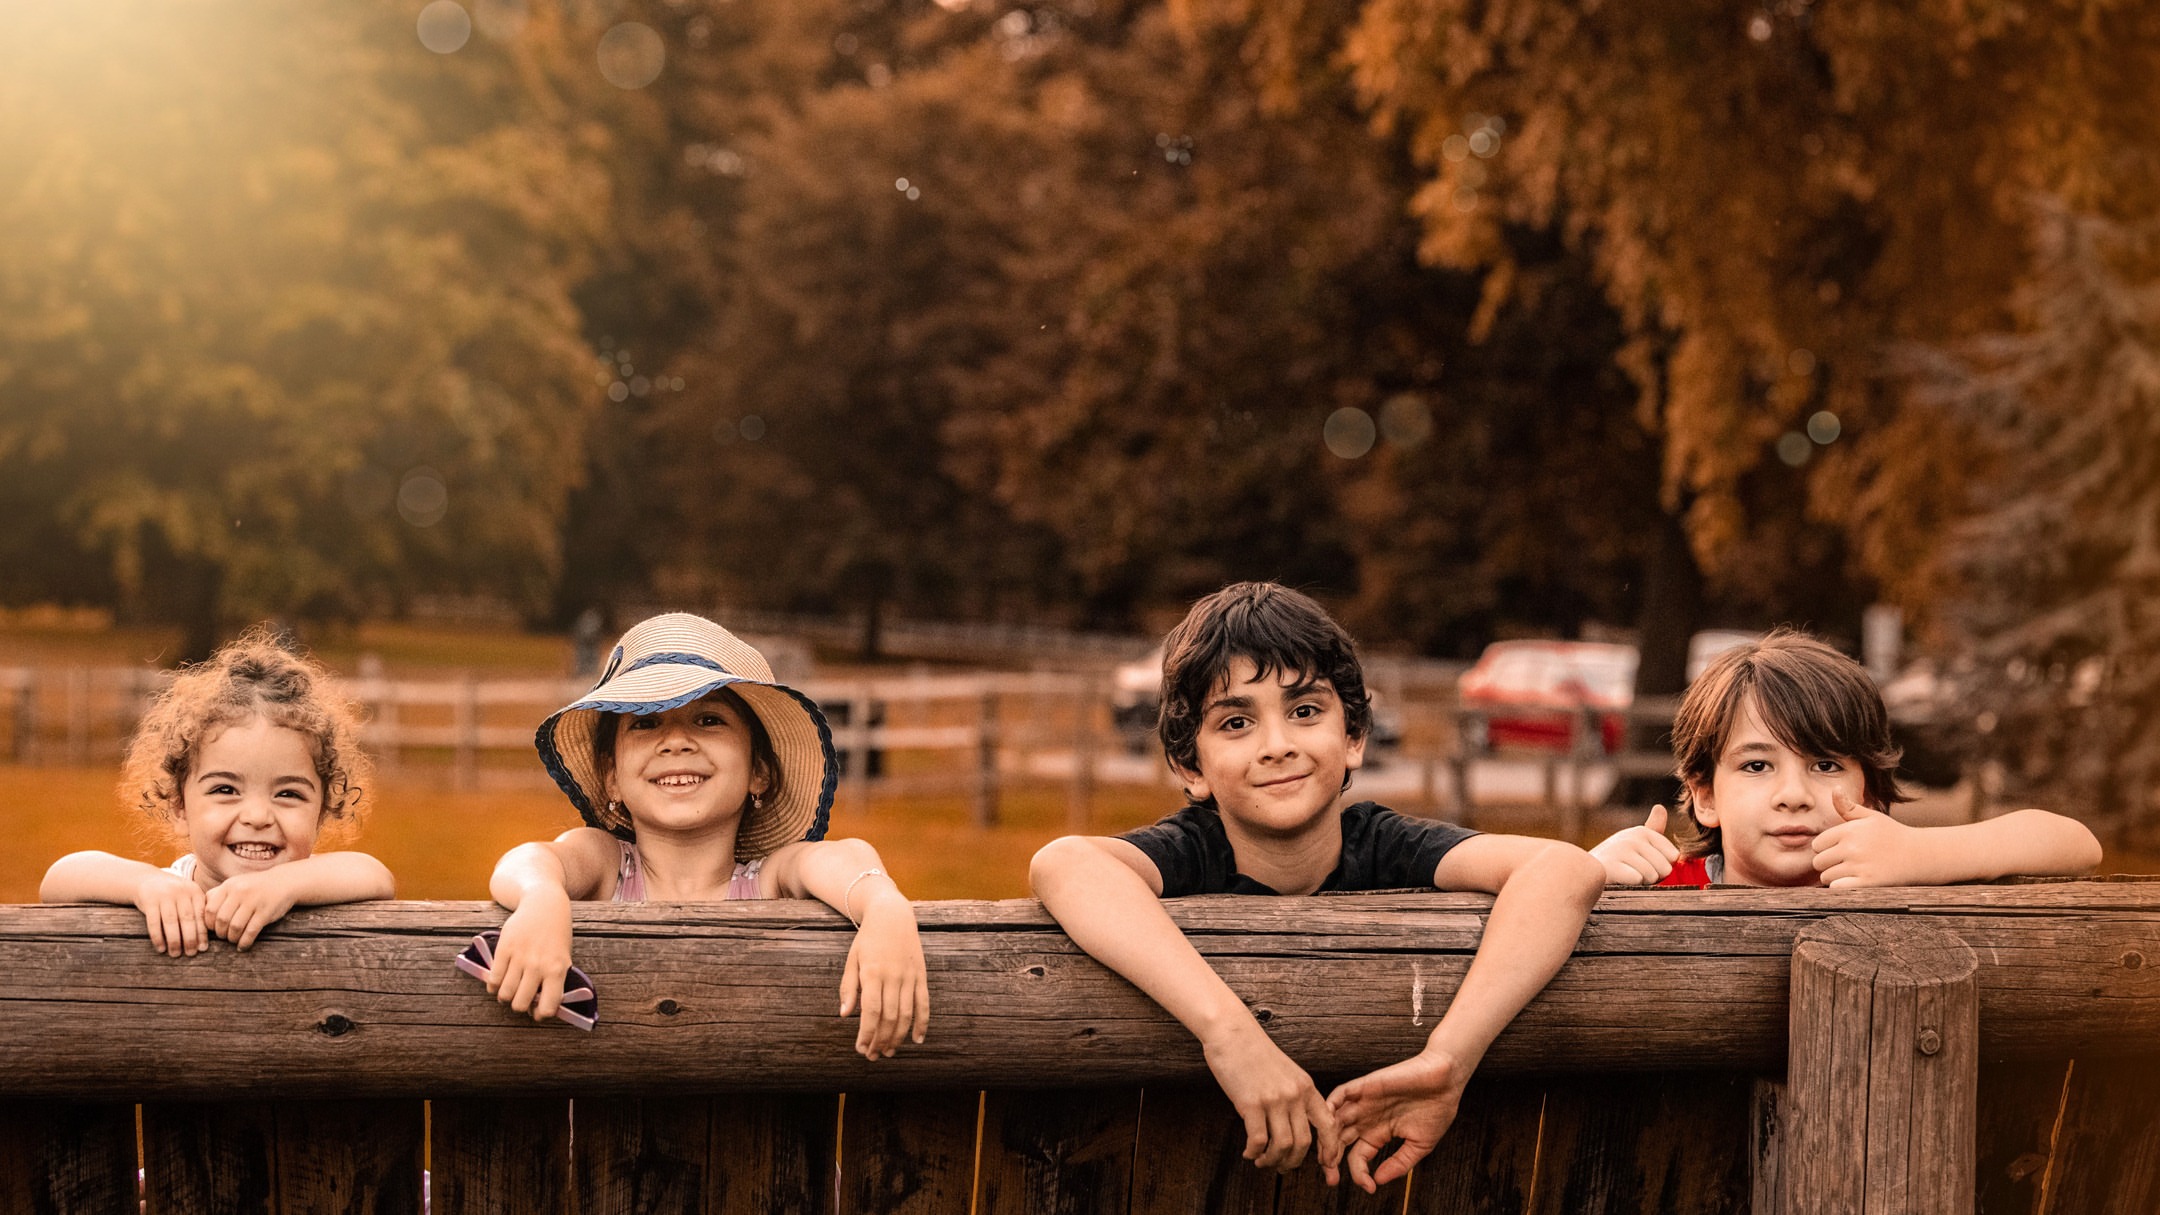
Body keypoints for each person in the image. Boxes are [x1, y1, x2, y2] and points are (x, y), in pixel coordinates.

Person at [1029, 583, 1606, 1193]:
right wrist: (1231, 1036)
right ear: (1190, 767)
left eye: (1304, 711)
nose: (1278, 745)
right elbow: (1066, 864)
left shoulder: (1385, 843)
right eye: (1236, 722)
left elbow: (1564, 871)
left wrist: (1448, 1062)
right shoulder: (1191, 850)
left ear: (1354, 736)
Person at [480, 612, 929, 1059]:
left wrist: (883, 906)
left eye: (709, 720)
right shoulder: (605, 864)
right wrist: (542, 898)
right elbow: (527, 861)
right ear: (612, 777)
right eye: (645, 722)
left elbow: (843, 856)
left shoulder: (769, 880)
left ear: (759, 772)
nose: (676, 741)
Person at [1592, 630, 2102, 887]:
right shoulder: (1670, 886)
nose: (1793, 796)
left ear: (1870, 788)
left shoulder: (1896, 871)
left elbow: (2077, 845)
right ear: (1705, 797)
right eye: (1756, 766)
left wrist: (1922, 856)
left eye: (1826, 765)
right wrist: (1587, 874)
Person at [40, 631, 396, 954]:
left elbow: (376, 876)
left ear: (321, 812)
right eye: (226, 789)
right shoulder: (172, 888)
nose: (257, 817)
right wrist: (144, 884)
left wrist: (284, 886)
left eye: (288, 794)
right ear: (179, 806)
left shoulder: (308, 882)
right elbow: (58, 878)